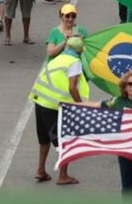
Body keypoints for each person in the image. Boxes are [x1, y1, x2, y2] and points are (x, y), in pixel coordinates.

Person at [29, 35, 87, 184]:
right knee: (65, 140)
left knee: (44, 139)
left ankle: (41, 170)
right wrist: (80, 105)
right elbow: (72, 86)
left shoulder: (58, 58)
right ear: (79, 51)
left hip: (40, 101)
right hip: (54, 106)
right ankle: (63, 176)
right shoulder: (74, 62)